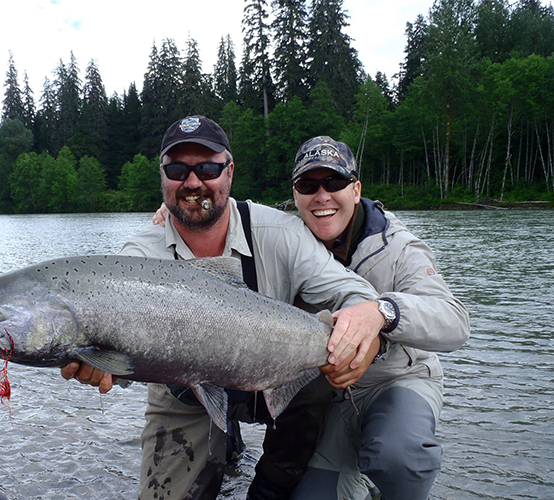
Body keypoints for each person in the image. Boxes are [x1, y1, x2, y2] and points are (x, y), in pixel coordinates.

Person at [61, 116, 390, 500]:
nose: (193, 181)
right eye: (178, 169)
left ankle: (271, 483)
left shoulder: (279, 231)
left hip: (280, 381)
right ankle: (222, 443)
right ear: (163, 176)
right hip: (184, 396)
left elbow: (356, 293)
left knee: (314, 380)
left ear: (229, 172)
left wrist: (367, 322)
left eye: (208, 168)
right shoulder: (137, 259)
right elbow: (121, 357)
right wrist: (103, 369)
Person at [286, 136, 470, 500]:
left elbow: (454, 321)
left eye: (334, 183)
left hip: (399, 382)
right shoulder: (283, 242)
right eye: (308, 185)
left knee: (399, 458)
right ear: (295, 195)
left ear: (356, 190)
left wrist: (383, 312)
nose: (322, 196)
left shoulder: (400, 246)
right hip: (331, 404)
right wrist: (171, 218)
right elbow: (229, 223)